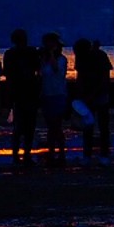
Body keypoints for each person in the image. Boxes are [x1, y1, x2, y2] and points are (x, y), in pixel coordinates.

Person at [73, 37, 114, 166]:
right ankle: (91, 155)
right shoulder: (84, 57)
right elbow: (80, 77)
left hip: (99, 95)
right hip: (89, 96)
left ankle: (101, 155)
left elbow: (104, 78)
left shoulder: (99, 56)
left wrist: (91, 94)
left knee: (101, 127)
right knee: (92, 127)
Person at [3, 28, 41, 164]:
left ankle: (18, 155)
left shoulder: (10, 54)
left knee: (20, 127)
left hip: (20, 92)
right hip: (27, 92)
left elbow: (7, 76)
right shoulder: (31, 52)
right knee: (27, 126)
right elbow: (38, 71)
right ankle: (25, 154)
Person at [40, 33, 70, 167]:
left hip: (58, 95)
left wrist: (51, 55)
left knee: (56, 126)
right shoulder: (42, 60)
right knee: (50, 127)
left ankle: (61, 153)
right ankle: (52, 152)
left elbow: (56, 70)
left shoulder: (62, 59)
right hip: (47, 95)